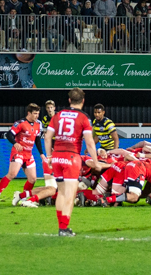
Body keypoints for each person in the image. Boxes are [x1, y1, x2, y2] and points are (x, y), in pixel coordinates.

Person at [43, 87, 99, 236]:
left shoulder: (58, 115)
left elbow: (48, 137)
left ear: (69, 100)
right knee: (70, 194)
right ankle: (63, 228)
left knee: (61, 192)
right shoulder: (84, 118)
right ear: (83, 101)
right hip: (71, 157)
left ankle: (61, 226)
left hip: (56, 157)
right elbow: (89, 142)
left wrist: (49, 157)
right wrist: (96, 161)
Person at [0, 103, 46, 204]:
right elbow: (9, 134)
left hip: (29, 154)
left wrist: (41, 153)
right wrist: (15, 143)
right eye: (35, 113)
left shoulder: (38, 124)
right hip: (19, 152)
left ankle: (23, 198)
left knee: (33, 178)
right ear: (29, 113)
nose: (37, 116)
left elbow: (37, 140)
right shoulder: (20, 123)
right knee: (12, 174)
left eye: (38, 113)